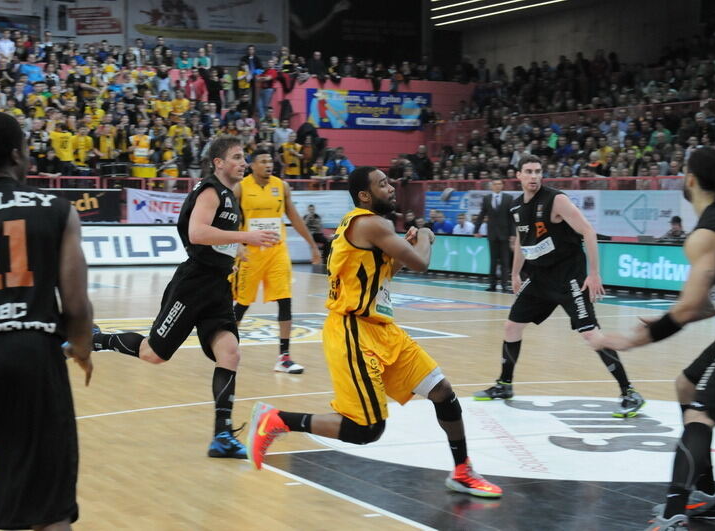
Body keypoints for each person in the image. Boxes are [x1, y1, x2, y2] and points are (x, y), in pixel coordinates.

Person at [245, 167, 502, 498]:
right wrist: (424, 235)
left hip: (382, 329)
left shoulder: (363, 224)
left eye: (389, 181)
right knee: (365, 429)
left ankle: (463, 470)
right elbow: (422, 264)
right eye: (383, 184)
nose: (391, 187)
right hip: (353, 331)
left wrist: (400, 250)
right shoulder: (371, 223)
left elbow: (382, 275)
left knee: (442, 392)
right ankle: (277, 419)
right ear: (365, 195)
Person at [0, 111, 93, 529]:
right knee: (48, 509)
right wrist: (82, 350)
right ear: (16, 155)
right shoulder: (58, 210)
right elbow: (76, 304)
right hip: (32, 358)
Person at [91, 137, 280, 458]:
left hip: (218, 286)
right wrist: (245, 236)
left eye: (244, 157)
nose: (243, 162)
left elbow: (213, 240)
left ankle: (221, 434)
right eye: (236, 157)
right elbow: (197, 233)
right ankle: (97, 340)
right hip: (193, 285)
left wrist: (236, 250)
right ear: (218, 163)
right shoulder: (210, 191)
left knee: (230, 353)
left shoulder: (228, 195)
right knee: (154, 354)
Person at [591, 148, 715, 530]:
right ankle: (707, 494)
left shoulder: (708, 233)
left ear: (689, 179)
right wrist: (661, 319)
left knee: (699, 415)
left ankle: (673, 513)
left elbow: (689, 308)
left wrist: (633, 340)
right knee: (686, 385)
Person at [473, 155, 645, 417]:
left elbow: (587, 230)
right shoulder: (517, 207)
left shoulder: (556, 200)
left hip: (569, 278)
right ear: (518, 175)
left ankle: (629, 391)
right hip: (540, 277)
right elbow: (521, 241)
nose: (534, 176)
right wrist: (515, 272)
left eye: (538, 171)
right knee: (511, 325)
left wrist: (594, 273)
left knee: (591, 335)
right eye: (529, 171)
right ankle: (504, 384)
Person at [232, 149, 322, 374]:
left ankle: (284, 357)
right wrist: (236, 243)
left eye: (270, 160)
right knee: (241, 304)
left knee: (285, 300)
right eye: (263, 161)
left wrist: (312, 245)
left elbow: (294, 217)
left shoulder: (282, 186)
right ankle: (228, 349)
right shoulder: (240, 187)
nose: (268, 164)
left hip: (277, 251)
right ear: (252, 165)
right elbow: (228, 218)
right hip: (250, 253)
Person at [475, 178, 515, 291]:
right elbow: (482, 214)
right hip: (492, 234)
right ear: (491, 186)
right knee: (492, 261)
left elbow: (512, 218)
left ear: (502, 186)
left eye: (500, 184)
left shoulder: (509, 198)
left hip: (505, 235)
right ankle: (492, 285)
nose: (497, 186)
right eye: (495, 184)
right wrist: (476, 229)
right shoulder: (487, 198)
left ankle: (504, 285)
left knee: (505, 262)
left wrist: (513, 234)